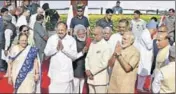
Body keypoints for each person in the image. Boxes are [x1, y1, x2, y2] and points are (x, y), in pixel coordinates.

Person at [44, 22, 78, 93]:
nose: (60, 32)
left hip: (66, 75)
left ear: (66, 30)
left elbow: (74, 56)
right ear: (56, 30)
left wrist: (64, 49)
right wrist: (55, 49)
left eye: (62, 30)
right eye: (58, 30)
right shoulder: (52, 39)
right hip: (54, 74)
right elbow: (46, 52)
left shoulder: (71, 40)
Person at [85, 26, 110, 93]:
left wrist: (91, 72)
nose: (93, 36)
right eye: (93, 34)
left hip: (100, 80)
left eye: (96, 34)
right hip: (90, 78)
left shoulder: (106, 45)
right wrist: (87, 69)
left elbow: (104, 63)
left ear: (102, 34)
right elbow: (87, 57)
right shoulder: (92, 43)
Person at [136, 20, 158, 92]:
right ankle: (140, 87)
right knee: (142, 72)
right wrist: (154, 38)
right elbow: (149, 46)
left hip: (147, 56)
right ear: (152, 29)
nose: (154, 32)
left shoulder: (147, 33)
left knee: (145, 72)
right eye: (154, 30)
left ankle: (141, 86)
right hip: (144, 56)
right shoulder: (145, 33)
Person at [72, 24, 91, 93]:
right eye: (80, 34)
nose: (82, 35)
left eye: (83, 33)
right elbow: (73, 56)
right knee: (76, 86)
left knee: (83, 87)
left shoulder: (88, 40)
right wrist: (82, 52)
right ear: (77, 34)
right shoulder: (74, 42)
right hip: (76, 67)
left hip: (85, 67)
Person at [0, 8, 9, 72]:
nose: (7, 14)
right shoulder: (1, 20)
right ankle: (1, 66)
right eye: (6, 13)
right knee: (1, 53)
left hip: (4, 39)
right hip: (1, 39)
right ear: (2, 13)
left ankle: (3, 66)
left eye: (7, 13)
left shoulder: (6, 20)